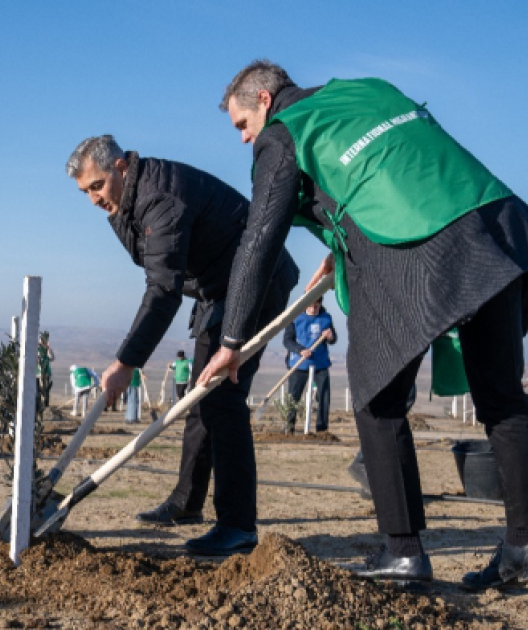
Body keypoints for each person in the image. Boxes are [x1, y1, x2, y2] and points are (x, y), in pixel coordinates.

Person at [203, 60, 528, 587]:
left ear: (264, 100)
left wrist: (232, 339)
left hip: (419, 247)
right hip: (490, 222)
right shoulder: (368, 91)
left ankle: (402, 550)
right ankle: (525, 545)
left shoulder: (285, 132)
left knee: (376, 398)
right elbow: (392, 169)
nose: (244, 140)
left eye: (242, 125)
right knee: (501, 394)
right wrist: (340, 240)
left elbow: (260, 237)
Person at [66, 135, 298, 555]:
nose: (93, 200)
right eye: (85, 192)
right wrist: (115, 209)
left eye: (97, 186)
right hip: (219, 288)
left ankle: (238, 526)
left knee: (222, 398)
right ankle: (187, 501)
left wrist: (126, 362)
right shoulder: (127, 202)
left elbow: (162, 290)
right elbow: (156, 266)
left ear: (120, 167)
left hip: (257, 283)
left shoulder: (161, 198)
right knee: (199, 395)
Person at [282, 298, 336, 434]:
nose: (313, 309)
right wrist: (300, 350)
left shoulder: (326, 318)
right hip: (298, 365)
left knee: (323, 396)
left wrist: (330, 336)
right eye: (311, 306)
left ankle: (322, 430)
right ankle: (289, 428)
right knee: (294, 397)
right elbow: (287, 340)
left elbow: (333, 339)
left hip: (320, 365)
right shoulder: (294, 317)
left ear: (320, 305)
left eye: (316, 307)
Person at [37, 333, 55, 408]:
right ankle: (39, 403)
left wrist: (48, 350)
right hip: (38, 372)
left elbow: (52, 358)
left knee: (46, 388)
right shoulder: (37, 349)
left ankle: (46, 403)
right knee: (39, 388)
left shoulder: (47, 349)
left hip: (46, 372)